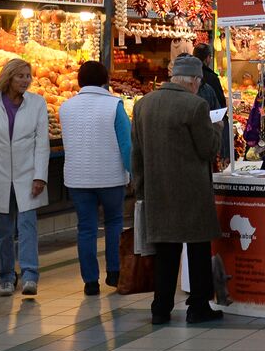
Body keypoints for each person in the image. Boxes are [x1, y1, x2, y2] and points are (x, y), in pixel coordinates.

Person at [132, 54, 223, 325]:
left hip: (157, 188)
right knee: (197, 249)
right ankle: (198, 306)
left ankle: (160, 308)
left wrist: (140, 188)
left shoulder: (143, 105)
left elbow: (136, 152)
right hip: (191, 190)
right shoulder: (196, 106)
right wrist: (217, 127)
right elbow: (207, 148)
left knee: (165, 252)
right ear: (195, 81)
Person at [0, 58, 50, 297]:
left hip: (28, 173)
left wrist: (40, 176)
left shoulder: (37, 103)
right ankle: (6, 277)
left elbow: (42, 143)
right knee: (4, 228)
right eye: (21, 76)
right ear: (9, 77)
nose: (26, 81)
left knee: (27, 225)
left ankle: (30, 275)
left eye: (28, 76)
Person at [58, 61, 133, 296]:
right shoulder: (114, 106)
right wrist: (131, 173)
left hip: (77, 177)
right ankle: (113, 272)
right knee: (113, 223)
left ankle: (90, 281)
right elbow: (126, 144)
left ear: (79, 80)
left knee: (86, 228)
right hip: (110, 176)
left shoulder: (66, 107)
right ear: (106, 80)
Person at [192, 43, 230, 160]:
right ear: (208, 58)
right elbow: (220, 105)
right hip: (210, 126)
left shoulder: (190, 77)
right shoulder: (211, 78)